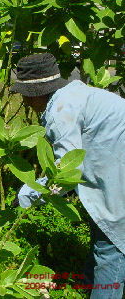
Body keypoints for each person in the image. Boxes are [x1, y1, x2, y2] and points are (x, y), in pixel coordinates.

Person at [10, 53, 125, 299]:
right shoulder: (72, 94)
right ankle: (87, 286)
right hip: (115, 158)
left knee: (112, 245)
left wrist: (27, 195)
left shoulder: (60, 113)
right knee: (101, 225)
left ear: (37, 93)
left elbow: (66, 173)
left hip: (118, 166)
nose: (26, 103)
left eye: (25, 95)